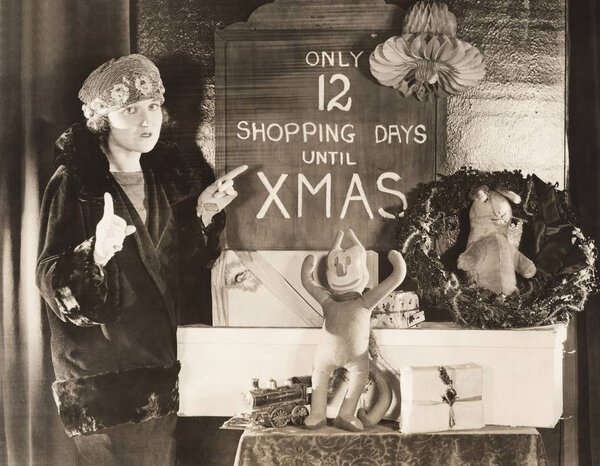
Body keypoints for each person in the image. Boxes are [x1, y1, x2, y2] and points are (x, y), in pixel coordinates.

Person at [36, 54, 246, 465]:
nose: (146, 120)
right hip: (101, 376)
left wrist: (202, 213)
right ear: (103, 119)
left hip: (160, 367)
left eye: (152, 106)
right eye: (130, 110)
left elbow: (177, 271)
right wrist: (94, 252)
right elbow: (48, 276)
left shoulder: (164, 181)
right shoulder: (76, 183)